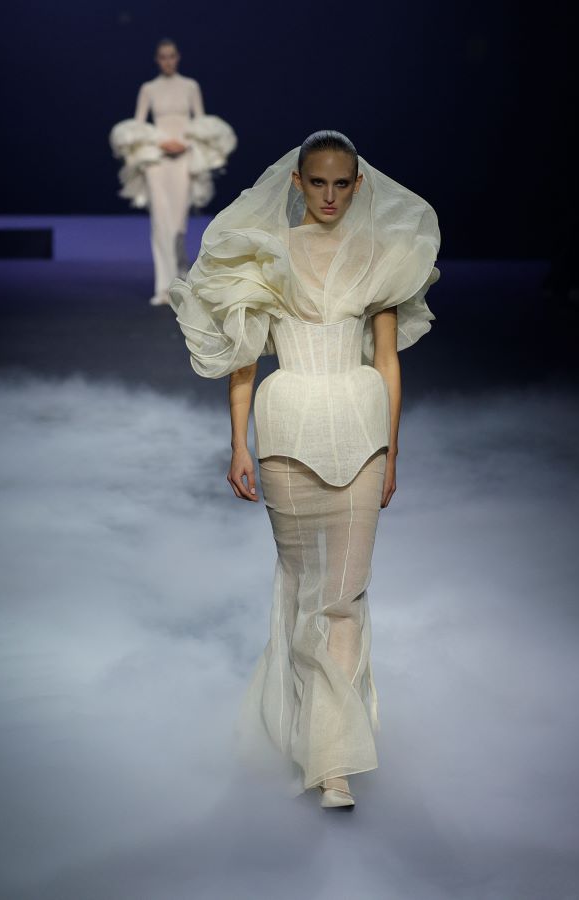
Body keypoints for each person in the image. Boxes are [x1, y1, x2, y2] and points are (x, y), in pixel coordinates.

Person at [168, 131, 441, 809]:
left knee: (343, 597)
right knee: (300, 587)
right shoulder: (264, 255)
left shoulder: (383, 256)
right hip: (286, 427)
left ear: (357, 186)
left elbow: (388, 360)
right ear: (296, 183)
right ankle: (310, 740)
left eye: (341, 184)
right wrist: (237, 442)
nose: (328, 195)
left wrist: (394, 449)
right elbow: (244, 357)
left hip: (361, 424)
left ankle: (333, 762)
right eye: (317, 183)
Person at [109, 38, 237, 305]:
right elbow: (138, 125)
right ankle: (163, 289)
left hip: (183, 159)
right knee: (160, 223)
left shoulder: (190, 86)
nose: (168, 61)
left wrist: (186, 143)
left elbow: (201, 123)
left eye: (172, 56)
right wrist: (159, 142)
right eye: (163, 57)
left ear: (178, 57)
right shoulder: (148, 88)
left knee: (178, 225)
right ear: (157, 59)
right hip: (157, 160)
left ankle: (179, 279)